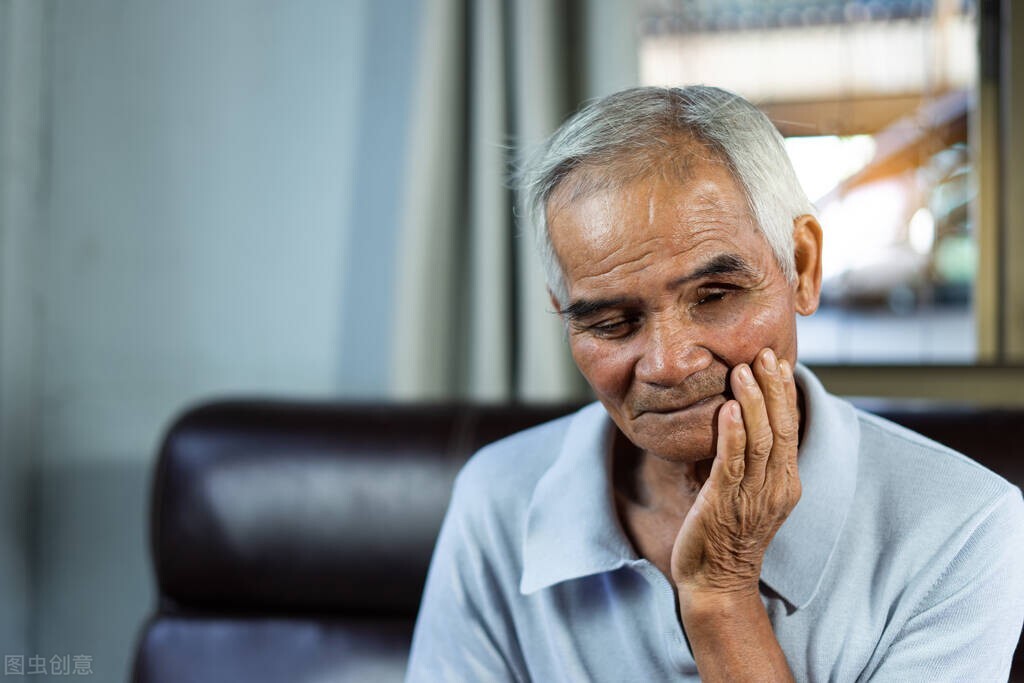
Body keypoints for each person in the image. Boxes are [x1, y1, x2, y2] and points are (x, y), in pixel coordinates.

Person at [405, 86, 1024, 681]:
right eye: (613, 323)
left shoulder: (964, 525)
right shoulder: (497, 496)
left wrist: (721, 597)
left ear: (801, 266)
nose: (669, 364)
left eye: (716, 296)